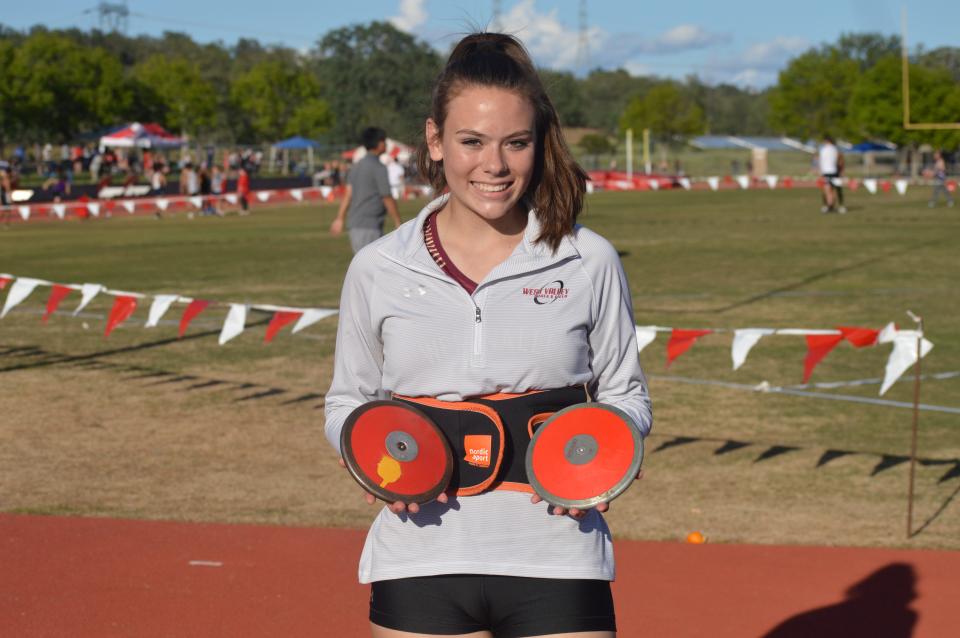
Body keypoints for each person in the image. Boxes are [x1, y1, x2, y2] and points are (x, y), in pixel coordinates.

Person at [324, 32, 652, 637]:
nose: (494, 165)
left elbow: (625, 394)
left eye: (516, 143)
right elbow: (349, 399)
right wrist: (369, 458)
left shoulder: (588, 260)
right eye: (471, 142)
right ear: (434, 140)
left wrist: (605, 459)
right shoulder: (378, 267)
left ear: (538, 143)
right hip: (419, 555)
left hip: (559, 556)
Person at [329, 127, 401, 252]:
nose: (386, 144)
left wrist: (340, 218)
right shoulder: (379, 168)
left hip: (355, 225)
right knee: (372, 269)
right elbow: (387, 197)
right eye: (384, 141)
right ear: (379, 144)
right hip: (369, 225)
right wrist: (398, 221)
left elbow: (348, 195)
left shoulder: (356, 166)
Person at [818, 135, 846, 214]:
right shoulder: (836, 149)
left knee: (827, 190)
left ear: (826, 141)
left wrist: (820, 171)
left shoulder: (823, 149)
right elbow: (841, 160)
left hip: (826, 172)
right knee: (836, 190)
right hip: (835, 171)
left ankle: (828, 206)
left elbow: (821, 161)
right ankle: (838, 206)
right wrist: (841, 170)